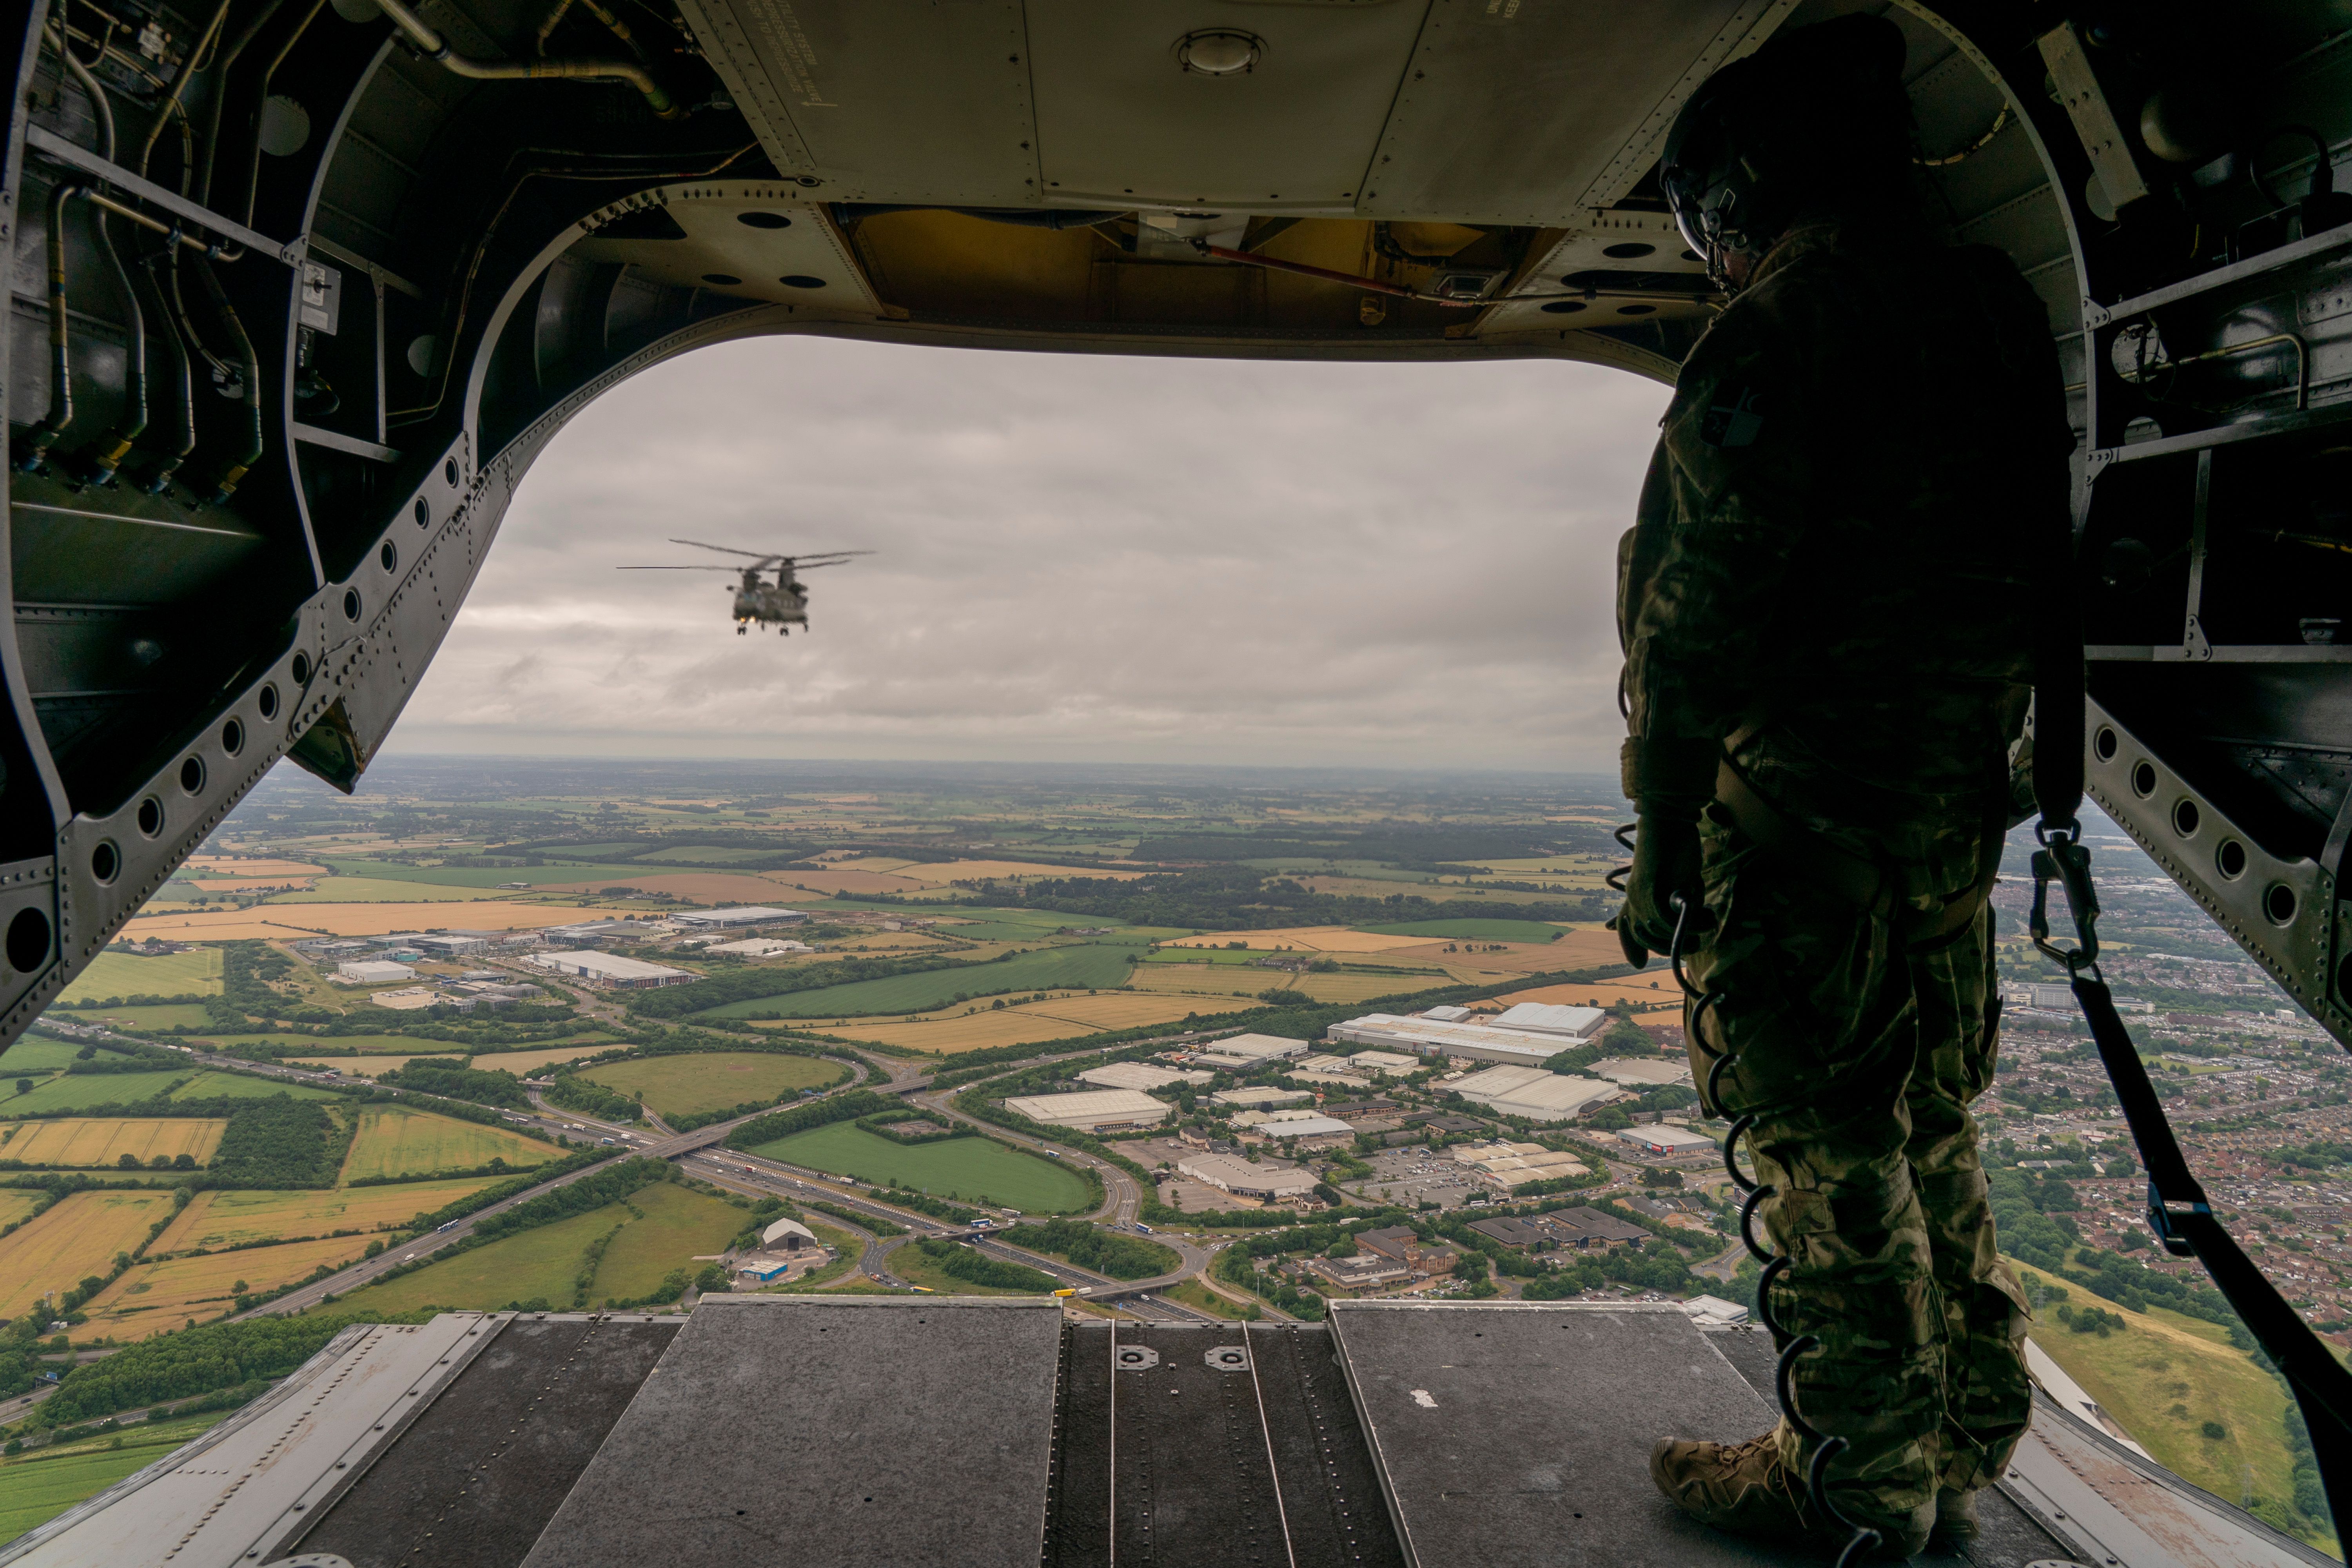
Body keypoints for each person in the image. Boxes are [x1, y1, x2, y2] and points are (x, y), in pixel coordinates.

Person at [1613, 14, 2076, 1559]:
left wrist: (1666, 828)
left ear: (1741, 193)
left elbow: (1695, 611)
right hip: (1944, 819)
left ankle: (1856, 1479)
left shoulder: (1789, 328)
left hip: (1805, 824)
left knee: (1828, 1138)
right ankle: (1955, 1437)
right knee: (1926, 1117)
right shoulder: (1991, 313)